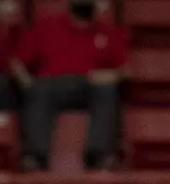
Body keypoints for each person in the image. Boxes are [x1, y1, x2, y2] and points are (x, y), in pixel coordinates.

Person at [12, 0, 128, 171]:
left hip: (89, 84)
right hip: (51, 84)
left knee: (107, 89)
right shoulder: (47, 27)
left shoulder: (108, 32)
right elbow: (17, 63)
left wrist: (111, 75)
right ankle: (36, 157)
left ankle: (99, 155)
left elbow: (126, 70)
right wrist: (28, 84)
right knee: (38, 90)